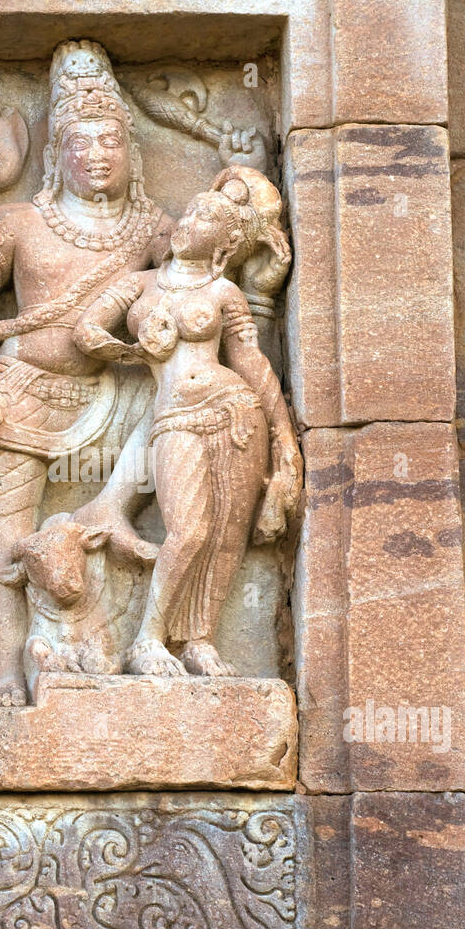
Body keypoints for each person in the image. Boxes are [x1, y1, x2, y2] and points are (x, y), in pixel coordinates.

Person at [0, 40, 174, 705]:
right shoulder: (17, 223)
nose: (97, 155)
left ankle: (144, 637)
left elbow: (198, 279)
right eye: (82, 142)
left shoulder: (153, 228)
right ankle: (9, 674)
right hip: (17, 398)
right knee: (6, 545)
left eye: (111, 143)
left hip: (113, 399)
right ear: (56, 154)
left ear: (132, 152)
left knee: (189, 418)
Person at [74, 167, 302, 677]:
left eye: (204, 218)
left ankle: (198, 639)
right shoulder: (141, 285)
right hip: (175, 415)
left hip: (236, 412)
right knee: (190, 530)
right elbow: (85, 330)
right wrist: (132, 351)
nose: (188, 220)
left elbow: (251, 361)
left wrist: (284, 439)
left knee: (227, 534)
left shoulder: (224, 293)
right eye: (191, 210)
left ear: (223, 246)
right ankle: (147, 640)